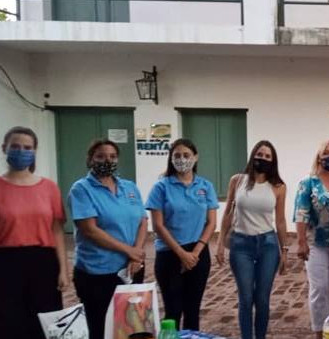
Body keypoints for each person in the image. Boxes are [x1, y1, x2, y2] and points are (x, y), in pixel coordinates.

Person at [68, 139, 147, 339]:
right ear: (90, 159)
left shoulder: (129, 187)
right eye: (100, 156)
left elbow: (143, 220)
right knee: (101, 328)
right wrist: (129, 251)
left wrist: (136, 254)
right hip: (98, 273)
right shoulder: (81, 189)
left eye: (112, 156)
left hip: (131, 268)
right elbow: (90, 230)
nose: (107, 160)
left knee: (131, 326)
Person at [0, 127, 68, 339]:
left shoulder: (49, 188)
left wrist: (63, 270)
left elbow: (57, 231)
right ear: (4, 148)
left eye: (27, 147)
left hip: (43, 262)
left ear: (35, 151)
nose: (22, 151)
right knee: (10, 321)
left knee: (46, 321)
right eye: (15, 146)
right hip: (6, 262)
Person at [215, 140, 287, 339]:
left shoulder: (278, 187)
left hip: (268, 245)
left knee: (262, 299)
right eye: (260, 154)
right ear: (253, 155)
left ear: (273, 161)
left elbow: (280, 221)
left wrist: (284, 251)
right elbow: (228, 213)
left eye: (267, 156)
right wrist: (220, 242)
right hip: (241, 245)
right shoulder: (237, 181)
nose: (262, 158)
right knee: (246, 298)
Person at [145, 138, 218, 331]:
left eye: (186, 155)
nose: (182, 159)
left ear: (195, 157)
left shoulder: (205, 186)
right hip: (170, 254)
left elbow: (211, 223)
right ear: (171, 159)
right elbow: (158, 225)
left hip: (198, 253)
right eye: (177, 155)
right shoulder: (161, 187)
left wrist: (196, 252)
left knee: (193, 311)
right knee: (173, 311)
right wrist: (181, 254)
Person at [294, 140, 329, 339]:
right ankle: (319, 332)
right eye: (326, 153)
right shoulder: (308, 183)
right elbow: (301, 213)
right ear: (319, 157)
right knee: (319, 289)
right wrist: (301, 242)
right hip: (315, 244)